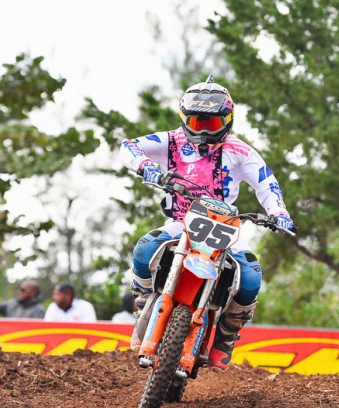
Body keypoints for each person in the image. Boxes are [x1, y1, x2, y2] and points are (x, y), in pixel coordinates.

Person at [120, 76, 294, 371]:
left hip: (224, 227)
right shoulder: (170, 141)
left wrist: (279, 212)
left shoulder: (240, 151)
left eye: (211, 123)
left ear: (226, 121)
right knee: (144, 250)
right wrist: (146, 166)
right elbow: (129, 146)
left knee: (250, 277)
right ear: (184, 118)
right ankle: (143, 305)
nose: (202, 131)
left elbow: (266, 183)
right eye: (196, 122)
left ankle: (226, 334)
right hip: (180, 222)